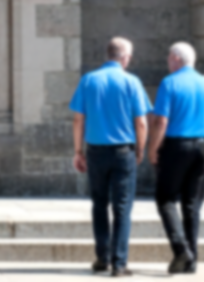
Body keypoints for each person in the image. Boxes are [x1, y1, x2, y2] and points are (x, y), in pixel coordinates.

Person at [69, 36, 151, 278]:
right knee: (122, 208)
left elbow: (78, 119)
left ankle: (102, 258)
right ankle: (119, 263)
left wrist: (78, 151)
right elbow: (142, 123)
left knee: (99, 205)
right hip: (123, 152)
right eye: (130, 56)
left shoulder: (89, 80)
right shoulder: (132, 81)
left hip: (95, 152)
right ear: (124, 57)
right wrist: (140, 149)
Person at [149, 42, 204, 275]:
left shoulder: (169, 82)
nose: (167, 62)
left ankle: (181, 250)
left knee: (165, 198)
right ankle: (192, 261)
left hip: (176, 146)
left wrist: (153, 148)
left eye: (169, 58)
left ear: (176, 58)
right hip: (203, 145)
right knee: (192, 205)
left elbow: (161, 121)